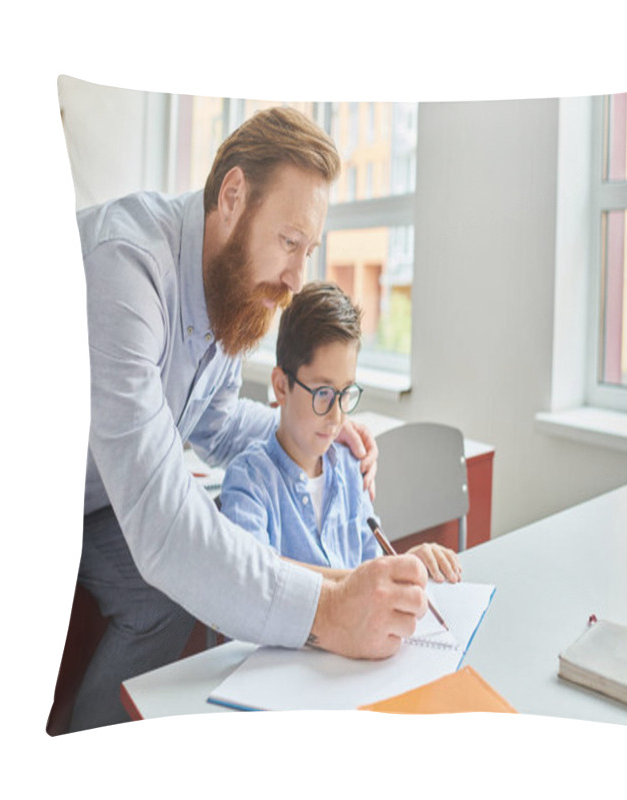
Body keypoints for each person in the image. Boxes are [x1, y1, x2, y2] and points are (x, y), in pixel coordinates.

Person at [60, 107, 430, 733]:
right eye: (289, 243)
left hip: (96, 494)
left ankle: (94, 732)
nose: (294, 280)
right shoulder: (124, 269)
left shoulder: (230, 288)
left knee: (168, 595)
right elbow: (165, 527)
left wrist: (316, 421)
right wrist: (331, 609)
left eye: (307, 251)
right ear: (232, 195)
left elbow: (219, 423)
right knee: (187, 545)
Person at [219, 282, 462, 583]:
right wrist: (367, 581)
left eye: (345, 393)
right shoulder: (249, 480)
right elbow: (256, 578)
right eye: (323, 393)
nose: (336, 416)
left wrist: (405, 566)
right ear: (281, 387)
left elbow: (371, 567)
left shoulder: (348, 468)